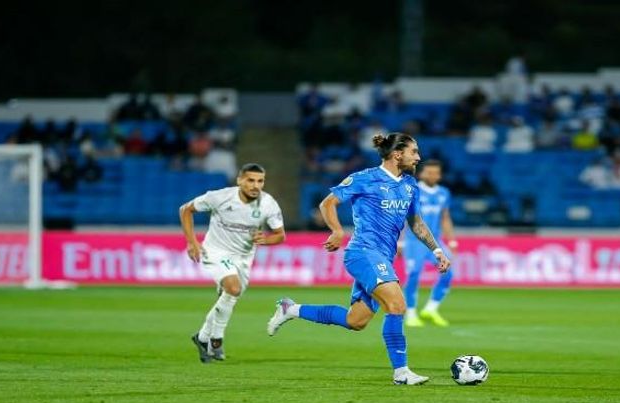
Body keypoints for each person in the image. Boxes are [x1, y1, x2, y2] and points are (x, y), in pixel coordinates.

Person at [266, 133, 451, 385]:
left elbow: (416, 222)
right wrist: (337, 230)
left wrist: (437, 251)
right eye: (414, 152)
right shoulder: (365, 178)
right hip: (363, 252)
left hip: (383, 257)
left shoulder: (409, 185)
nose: (418, 157)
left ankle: (291, 309)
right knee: (397, 305)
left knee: (356, 321)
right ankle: (401, 372)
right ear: (398, 154)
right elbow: (327, 203)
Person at [180, 163, 285, 363]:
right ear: (239, 181)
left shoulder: (268, 204)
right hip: (216, 251)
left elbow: (280, 236)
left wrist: (266, 239)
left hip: (244, 257)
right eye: (250, 180)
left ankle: (202, 338)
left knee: (229, 296)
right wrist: (192, 241)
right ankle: (217, 339)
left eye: (260, 181)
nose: (256, 185)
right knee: (233, 288)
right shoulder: (219, 197)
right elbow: (185, 210)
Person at [400, 160, 456, 328]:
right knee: (413, 275)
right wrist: (400, 241)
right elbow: (401, 216)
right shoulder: (412, 190)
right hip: (414, 241)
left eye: (436, 173)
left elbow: (445, 217)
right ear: (421, 173)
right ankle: (410, 314)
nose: (433, 175)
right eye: (429, 172)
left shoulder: (444, 193)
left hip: (435, 242)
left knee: (448, 272)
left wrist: (451, 240)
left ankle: (431, 309)